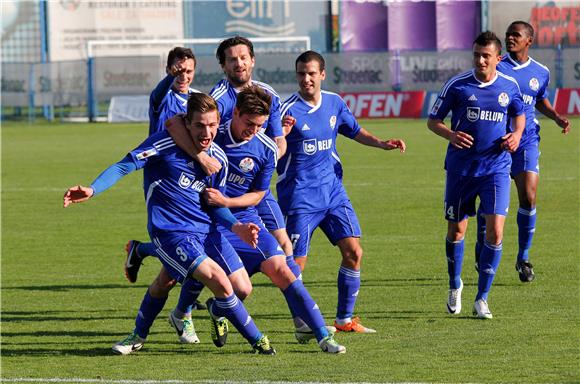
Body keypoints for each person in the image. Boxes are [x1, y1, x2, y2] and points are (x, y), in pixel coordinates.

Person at [132, 86, 346, 353]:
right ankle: (179, 313)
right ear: (234, 113)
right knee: (174, 277)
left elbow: (258, 194)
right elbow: (174, 122)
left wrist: (228, 203)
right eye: (248, 123)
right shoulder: (211, 132)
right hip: (205, 220)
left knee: (281, 271)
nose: (253, 130)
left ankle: (324, 335)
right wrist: (200, 158)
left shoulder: (266, 148)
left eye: (260, 125)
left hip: (243, 219)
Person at [63, 93, 276, 355]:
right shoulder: (164, 145)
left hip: (207, 232)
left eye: (211, 125)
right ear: (187, 123)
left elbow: (214, 205)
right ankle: (259, 341)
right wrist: (93, 189)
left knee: (229, 286)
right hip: (171, 231)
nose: (206, 131)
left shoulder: (217, 157)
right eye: (199, 125)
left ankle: (138, 334)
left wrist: (237, 227)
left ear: (218, 121)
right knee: (218, 279)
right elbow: (124, 166)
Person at [278, 50, 406, 333]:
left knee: (354, 252)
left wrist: (381, 143)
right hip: (300, 197)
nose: (306, 79)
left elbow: (355, 130)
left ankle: (344, 319)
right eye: (301, 74)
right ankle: (301, 321)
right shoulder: (286, 111)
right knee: (294, 265)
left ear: (322, 74)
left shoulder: (335, 102)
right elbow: (273, 151)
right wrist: (282, 136)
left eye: (311, 73)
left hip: (334, 193)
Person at [427, 31, 525, 319]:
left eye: (486, 56)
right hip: (461, 170)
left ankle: (482, 298)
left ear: (498, 58)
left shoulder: (509, 85)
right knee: (457, 230)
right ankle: (454, 284)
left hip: (495, 168)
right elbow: (433, 121)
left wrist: (517, 135)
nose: (480, 60)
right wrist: (450, 134)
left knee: (495, 232)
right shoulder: (457, 85)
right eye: (476, 55)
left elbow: (519, 113)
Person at [474, 21, 571, 283]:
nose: (509, 38)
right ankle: (482, 245)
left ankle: (523, 257)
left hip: (526, 140)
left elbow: (539, 99)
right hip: (496, 143)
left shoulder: (540, 71)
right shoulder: (497, 65)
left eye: (515, 35)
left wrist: (556, 117)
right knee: (488, 205)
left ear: (529, 40)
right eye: (508, 35)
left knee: (528, 196)